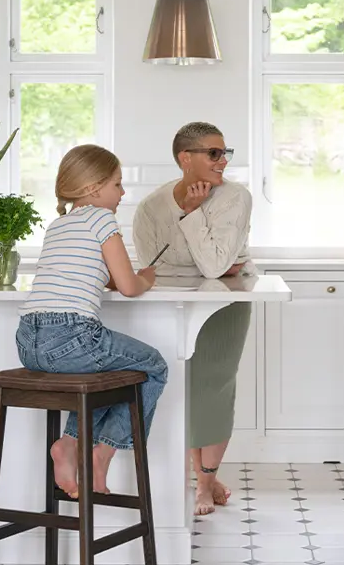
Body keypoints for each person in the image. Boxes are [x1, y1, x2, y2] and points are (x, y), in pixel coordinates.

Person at [15, 144, 168, 498]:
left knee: (104, 373)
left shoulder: (59, 225)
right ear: (93, 189)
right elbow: (129, 287)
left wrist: (117, 276)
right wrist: (147, 277)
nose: (122, 192)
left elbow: (90, 274)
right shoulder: (101, 218)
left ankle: (69, 445)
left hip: (28, 343)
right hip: (72, 336)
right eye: (117, 184)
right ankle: (102, 453)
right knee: (154, 366)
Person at [133, 122, 254, 516]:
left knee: (215, 391)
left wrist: (192, 215)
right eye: (214, 153)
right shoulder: (151, 206)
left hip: (224, 306)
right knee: (184, 390)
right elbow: (152, 267)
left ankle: (203, 484)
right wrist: (208, 260)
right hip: (173, 306)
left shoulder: (236, 197)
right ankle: (206, 475)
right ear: (186, 158)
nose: (223, 161)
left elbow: (215, 266)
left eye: (225, 153)